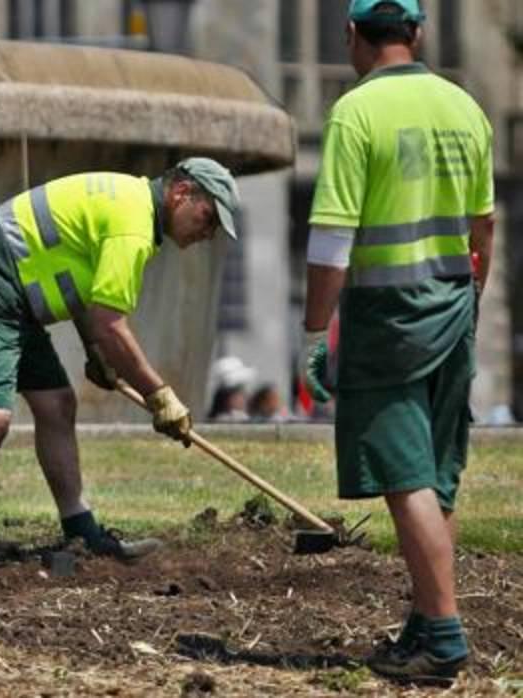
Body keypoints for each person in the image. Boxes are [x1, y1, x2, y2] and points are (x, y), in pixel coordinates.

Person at [300, 0, 495, 685]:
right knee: (437, 474)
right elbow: (484, 228)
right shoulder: (464, 107)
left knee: (403, 474)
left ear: (351, 34)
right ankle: (423, 618)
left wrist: (314, 330)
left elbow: (330, 239)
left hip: (387, 317)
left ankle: (442, 636)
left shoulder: (355, 113)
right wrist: (471, 301)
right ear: (417, 32)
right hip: (451, 304)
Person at [0, 157, 240, 572]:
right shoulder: (133, 225)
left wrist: (94, 352)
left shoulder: (131, 206)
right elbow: (110, 323)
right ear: (181, 193)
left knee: (58, 404)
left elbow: (83, 291)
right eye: (208, 218)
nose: (208, 233)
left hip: (13, 301)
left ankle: (81, 531)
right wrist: (159, 395)